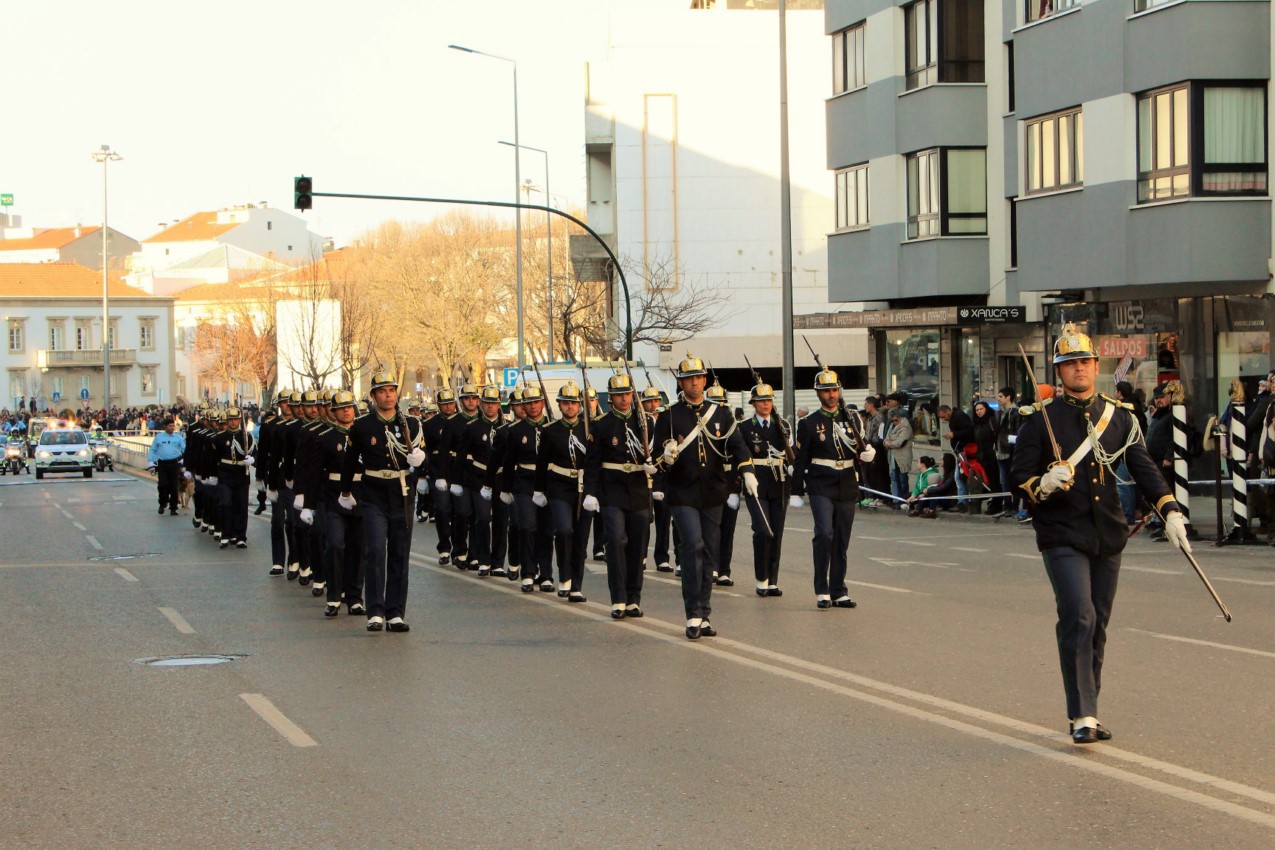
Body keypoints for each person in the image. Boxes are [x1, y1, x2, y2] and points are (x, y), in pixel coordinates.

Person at [1011, 323, 1189, 745]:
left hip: (1108, 533)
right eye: (1069, 364)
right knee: (1079, 615)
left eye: (1085, 362)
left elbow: (1143, 469)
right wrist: (1042, 484)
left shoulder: (1118, 417)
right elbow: (1019, 476)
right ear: (1059, 371)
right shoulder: (1040, 420)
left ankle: (1090, 705)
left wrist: (1171, 512)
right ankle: (1081, 716)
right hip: (1061, 532)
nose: (1078, 370)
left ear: (1096, 365)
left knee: (1099, 623)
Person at [652, 353, 756, 640]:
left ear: (705, 380)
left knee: (709, 551)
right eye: (688, 379)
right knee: (692, 546)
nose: (694, 384)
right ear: (681, 383)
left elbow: (738, 447)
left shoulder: (720, 413)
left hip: (712, 491)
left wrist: (748, 472)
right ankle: (692, 613)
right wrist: (666, 456)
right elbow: (655, 459)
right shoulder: (669, 415)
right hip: (682, 491)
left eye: (698, 378)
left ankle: (705, 613)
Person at [339, 372, 426, 633]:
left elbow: (423, 458)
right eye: (382, 391)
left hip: (402, 495)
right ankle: (375, 611)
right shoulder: (363, 426)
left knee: (400, 553)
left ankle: (395, 613)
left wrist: (421, 461)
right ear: (374, 396)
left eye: (391, 390)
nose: (387, 395)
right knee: (376, 550)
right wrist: (345, 492)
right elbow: (350, 461)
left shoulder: (411, 423)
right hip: (374, 495)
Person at [789, 367, 876, 610]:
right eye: (826, 391)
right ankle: (822, 589)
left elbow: (861, 444)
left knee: (841, 539)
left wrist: (868, 452)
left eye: (834, 389)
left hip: (846, 481)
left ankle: (839, 590)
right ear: (818, 393)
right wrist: (796, 491)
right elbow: (801, 459)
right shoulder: (808, 423)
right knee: (824, 534)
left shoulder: (852, 417)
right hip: (820, 483)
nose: (831, 394)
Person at [584, 372, 655, 618]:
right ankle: (618, 598)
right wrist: (590, 493)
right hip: (611, 491)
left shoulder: (644, 422)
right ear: (611, 398)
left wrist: (653, 465)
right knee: (615, 540)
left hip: (638, 489)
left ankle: (634, 598)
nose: (624, 399)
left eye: (627, 394)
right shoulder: (602, 425)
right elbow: (592, 463)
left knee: (637, 546)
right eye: (618, 395)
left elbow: (655, 453)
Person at [535, 381, 594, 602]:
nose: (570, 407)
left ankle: (576, 585)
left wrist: (594, 491)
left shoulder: (589, 429)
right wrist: (539, 490)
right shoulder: (550, 431)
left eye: (573, 403)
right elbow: (542, 463)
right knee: (564, 530)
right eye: (565, 403)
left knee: (580, 537)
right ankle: (564, 577)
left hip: (583, 488)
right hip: (559, 487)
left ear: (579, 406)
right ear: (559, 406)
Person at [737, 378, 792, 597]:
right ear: (753, 403)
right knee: (762, 531)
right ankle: (761, 578)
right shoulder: (744, 427)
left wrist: (792, 470)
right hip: (756, 482)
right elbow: (739, 456)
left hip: (779, 483)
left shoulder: (783, 425)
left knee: (776, 533)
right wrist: (736, 486)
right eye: (761, 401)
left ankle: (772, 580)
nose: (765, 404)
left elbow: (790, 453)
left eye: (768, 400)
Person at [211, 407, 255, 549]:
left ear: (239, 421)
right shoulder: (219, 438)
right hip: (225, 474)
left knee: (241, 506)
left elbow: (256, 453)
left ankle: (240, 536)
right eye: (231, 419)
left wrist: (252, 460)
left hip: (241, 474)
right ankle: (226, 534)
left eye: (236, 419)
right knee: (225, 504)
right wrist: (212, 475)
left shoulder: (247, 437)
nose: (233, 422)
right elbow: (214, 458)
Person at [937, 403, 975, 511]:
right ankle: (963, 501)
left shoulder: (959, 417)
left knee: (960, 477)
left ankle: (963, 502)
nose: (944, 419)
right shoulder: (955, 418)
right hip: (960, 450)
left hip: (964, 451)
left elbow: (969, 431)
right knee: (959, 477)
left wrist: (954, 434)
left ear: (948, 411)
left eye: (943, 416)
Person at [147, 417, 186, 516]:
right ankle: (163, 503)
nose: (172, 428)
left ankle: (173, 507)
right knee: (162, 485)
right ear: (165, 427)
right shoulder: (159, 437)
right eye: (170, 426)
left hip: (174, 464)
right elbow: (153, 449)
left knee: (174, 486)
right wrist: (151, 461)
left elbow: (185, 449)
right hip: (162, 464)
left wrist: (184, 460)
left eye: (173, 426)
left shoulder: (178, 438)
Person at [883, 407, 913, 507]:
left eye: (896, 420)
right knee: (894, 478)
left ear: (901, 418)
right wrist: (888, 442)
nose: (894, 422)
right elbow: (886, 438)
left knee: (902, 479)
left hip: (902, 457)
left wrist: (890, 443)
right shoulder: (891, 426)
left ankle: (904, 499)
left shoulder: (906, 427)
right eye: (892, 420)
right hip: (892, 456)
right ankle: (896, 500)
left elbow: (900, 442)